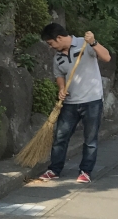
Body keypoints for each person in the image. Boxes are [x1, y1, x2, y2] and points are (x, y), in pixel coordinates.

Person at [36, 22, 111, 183]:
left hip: (92, 101)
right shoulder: (58, 57)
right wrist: (61, 88)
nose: (50, 47)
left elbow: (106, 57)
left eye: (51, 43)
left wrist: (94, 42)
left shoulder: (85, 45)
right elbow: (59, 75)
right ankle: (54, 169)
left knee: (90, 139)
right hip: (70, 103)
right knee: (60, 137)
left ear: (59, 38)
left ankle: (85, 171)